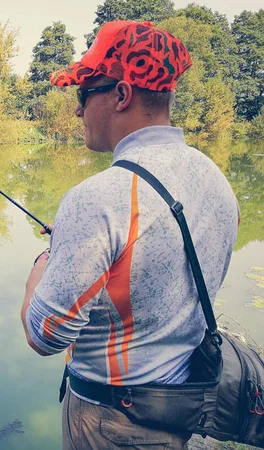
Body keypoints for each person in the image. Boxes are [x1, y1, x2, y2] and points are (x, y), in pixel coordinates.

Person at [20, 20, 240, 450]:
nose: (78, 110)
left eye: (84, 94)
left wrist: (41, 265)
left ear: (121, 94)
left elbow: (45, 334)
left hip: (110, 422)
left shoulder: (98, 199)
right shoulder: (214, 177)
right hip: (187, 404)